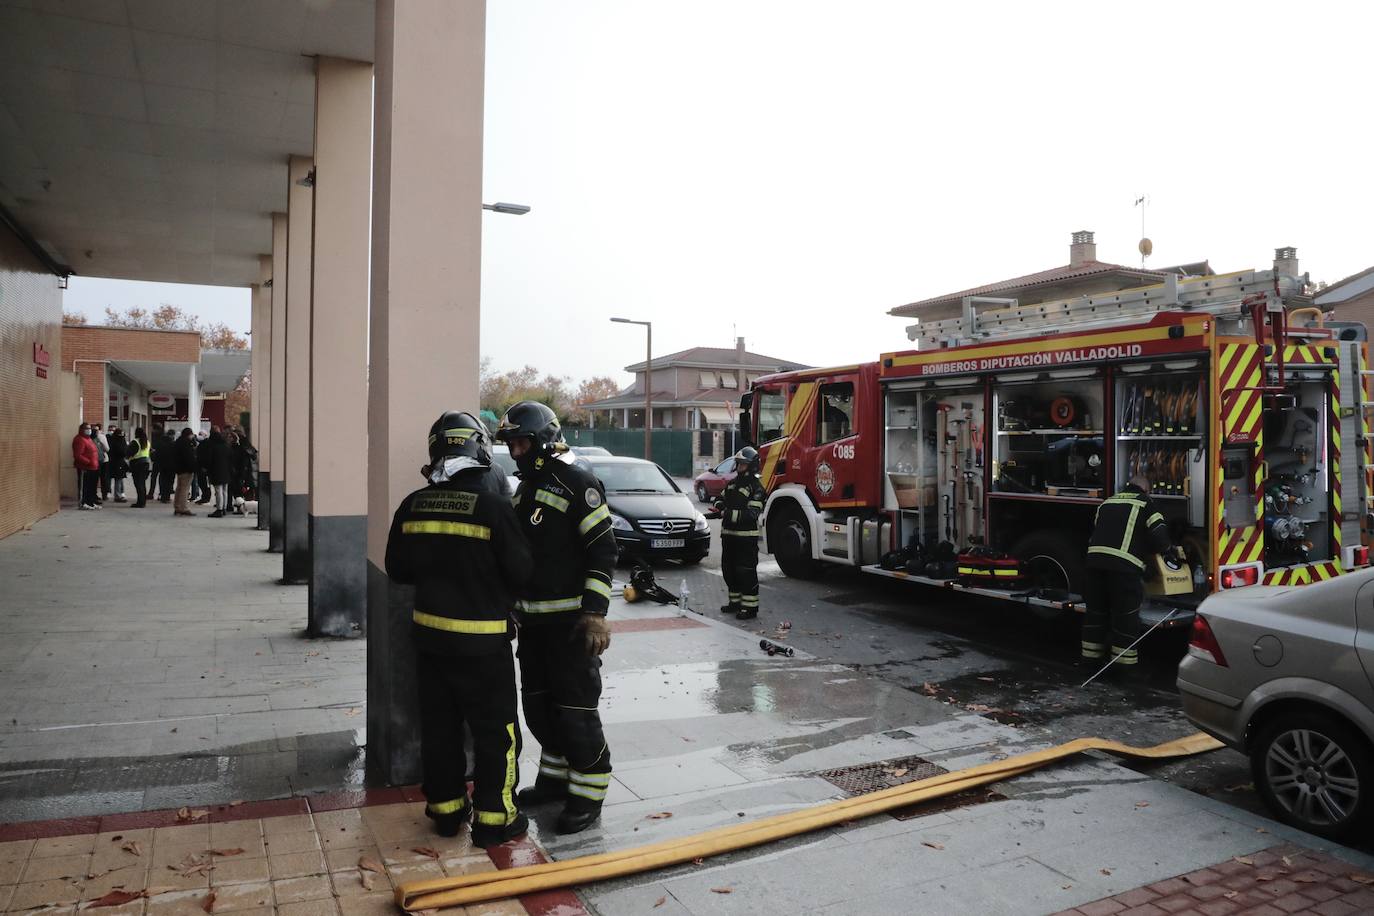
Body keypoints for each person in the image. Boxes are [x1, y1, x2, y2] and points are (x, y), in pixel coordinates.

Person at [385, 411, 533, 845]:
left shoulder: (412, 504)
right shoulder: (493, 507)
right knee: (495, 732)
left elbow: (397, 570)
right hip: (484, 647)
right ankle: (494, 819)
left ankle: (446, 810)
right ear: (478, 448)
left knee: (440, 727)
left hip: (430, 644)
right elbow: (522, 572)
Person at [496, 401, 616, 836]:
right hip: (532, 629)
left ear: (544, 440)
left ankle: (588, 791)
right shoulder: (523, 489)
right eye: (511, 444)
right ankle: (554, 778)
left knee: (575, 712)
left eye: (522, 442)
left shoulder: (578, 484)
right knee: (539, 710)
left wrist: (595, 614)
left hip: (571, 629)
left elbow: (603, 550)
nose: (515, 452)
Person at [1081, 474, 1180, 673]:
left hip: (1094, 566)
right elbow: (1158, 532)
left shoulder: (1106, 502)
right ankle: (1123, 671)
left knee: (1095, 616)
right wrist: (1170, 552)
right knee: (1124, 620)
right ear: (1146, 490)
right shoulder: (1145, 503)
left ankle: (1090, 664)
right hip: (1123, 572)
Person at [715, 446, 766, 620]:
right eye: (738, 464)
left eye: (742, 464)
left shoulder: (757, 488)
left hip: (746, 539)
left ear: (751, 466)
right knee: (729, 571)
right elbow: (719, 499)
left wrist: (726, 513)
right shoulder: (732, 484)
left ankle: (750, 608)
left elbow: (752, 514)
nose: (738, 467)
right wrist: (719, 506)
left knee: (745, 572)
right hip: (728, 536)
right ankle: (735, 603)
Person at [205, 427, 233, 518]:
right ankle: (224, 508)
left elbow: (209, 460)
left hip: (216, 471)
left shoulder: (213, 447)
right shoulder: (227, 446)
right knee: (225, 490)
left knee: (218, 491)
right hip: (226, 471)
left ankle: (219, 509)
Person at [72, 423, 100, 510]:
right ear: (82, 430)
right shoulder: (79, 440)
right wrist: (88, 462)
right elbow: (78, 455)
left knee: (91, 487)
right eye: (87, 428)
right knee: (84, 486)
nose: (89, 430)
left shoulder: (89, 439)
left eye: (89, 428)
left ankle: (90, 502)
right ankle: (83, 502)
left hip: (93, 467)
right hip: (85, 467)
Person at [172, 427, 199, 516]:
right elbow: (189, 458)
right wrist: (194, 467)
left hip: (179, 469)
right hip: (186, 469)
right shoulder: (187, 443)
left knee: (179, 488)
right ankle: (183, 508)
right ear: (189, 434)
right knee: (185, 489)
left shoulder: (178, 442)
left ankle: (177, 506)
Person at [128, 427, 152, 508]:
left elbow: (129, 453)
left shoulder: (135, 442)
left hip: (137, 464)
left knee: (138, 484)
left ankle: (140, 502)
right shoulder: (147, 442)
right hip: (146, 464)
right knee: (142, 484)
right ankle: (142, 501)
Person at [154, 427, 177, 503]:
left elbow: (157, 453)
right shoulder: (172, 443)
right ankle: (166, 496)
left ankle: (162, 495)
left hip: (161, 464)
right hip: (171, 465)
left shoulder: (160, 442)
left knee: (163, 480)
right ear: (172, 435)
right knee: (169, 481)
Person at [107, 427, 129, 502]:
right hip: (117, 462)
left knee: (120, 479)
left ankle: (120, 493)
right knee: (118, 479)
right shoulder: (118, 441)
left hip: (117, 462)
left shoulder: (115, 440)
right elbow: (122, 451)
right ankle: (118, 495)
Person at [91, 425, 110, 504]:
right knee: (102, 478)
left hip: (99, 460)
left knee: (96, 478)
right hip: (102, 460)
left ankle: (96, 494)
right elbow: (107, 449)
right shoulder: (101, 437)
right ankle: (104, 494)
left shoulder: (92, 438)